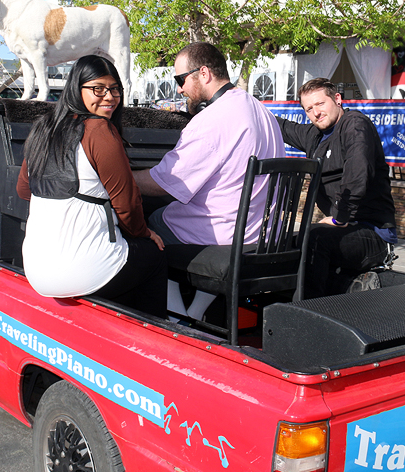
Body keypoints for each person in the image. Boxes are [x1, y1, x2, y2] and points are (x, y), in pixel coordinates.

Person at [132, 42, 285, 319]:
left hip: (226, 236)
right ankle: (196, 312)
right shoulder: (262, 111)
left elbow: (164, 183)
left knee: (151, 224)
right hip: (263, 235)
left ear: (203, 73)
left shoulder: (213, 119)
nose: (180, 89)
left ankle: (178, 319)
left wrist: (120, 177)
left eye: (180, 80)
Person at [16, 54, 167, 317]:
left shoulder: (42, 128)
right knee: (155, 254)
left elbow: (23, 190)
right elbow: (127, 204)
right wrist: (144, 233)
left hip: (36, 272)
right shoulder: (98, 130)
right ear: (77, 88)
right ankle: (157, 331)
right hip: (86, 272)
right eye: (98, 89)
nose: (109, 97)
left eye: (115, 89)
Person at [276, 78, 397, 297]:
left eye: (320, 104)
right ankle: (341, 289)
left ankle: (306, 310)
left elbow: (357, 174)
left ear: (337, 99)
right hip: (343, 231)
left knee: (314, 240)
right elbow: (283, 127)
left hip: (372, 232)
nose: (316, 113)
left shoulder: (355, 125)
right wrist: (248, 107)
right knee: (288, 242)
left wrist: (339, 217)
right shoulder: (314, 136)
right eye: (309, 109)